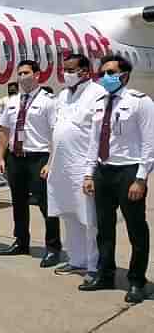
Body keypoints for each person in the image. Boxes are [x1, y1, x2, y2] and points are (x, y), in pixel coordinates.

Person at [80, 55, 154, 304]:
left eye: (110, 72)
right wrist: (89, 173)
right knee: (104, 227)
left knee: (136, 228)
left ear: (124, 75)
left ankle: (136, 281)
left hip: (128, 173)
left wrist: (141, 179)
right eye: (102, 73)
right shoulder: (100, 103)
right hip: (103, 171)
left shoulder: (140, 102)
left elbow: (149, 143)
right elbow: (94, 141)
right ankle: (105, 274)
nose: (104, 77)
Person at [45, 54, 106, 280]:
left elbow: (97, 136)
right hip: (62, 166)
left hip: (83, 166)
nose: (66, 73)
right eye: (65, 69)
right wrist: (50, 163)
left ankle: (93, 265)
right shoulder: (62, 96)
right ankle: (76, 260)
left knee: (88, 219)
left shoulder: (97, 94)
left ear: (85, 71)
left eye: (71, 69)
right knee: (69, 214)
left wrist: (91, 172)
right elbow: (58, 130)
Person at [0, 60, 62, 267]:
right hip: (15, 157)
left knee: (46, 204)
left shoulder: (49, 101)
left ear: (37, 75)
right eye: (19, 73)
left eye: (25, 73)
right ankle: (21, 241)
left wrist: (51, 162)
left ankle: (53, 247)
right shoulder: (12, 101)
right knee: (18, 202)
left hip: (39, 158)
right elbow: (5, 130)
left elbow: (56, 133)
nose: (21, 77)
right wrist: (0, 157)